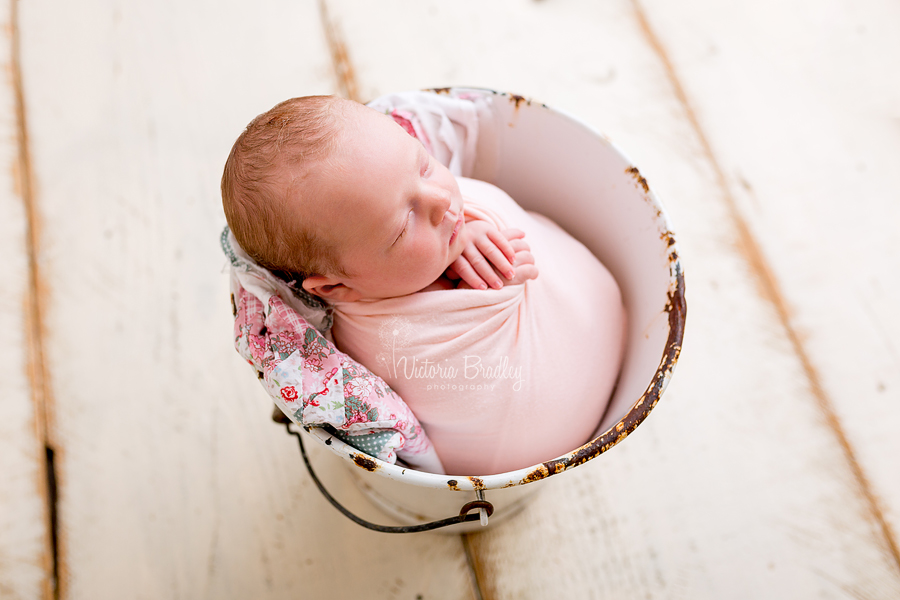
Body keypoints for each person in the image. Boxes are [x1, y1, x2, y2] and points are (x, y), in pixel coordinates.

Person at [222, 95, 626, 475]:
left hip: (580, 372)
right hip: (520, 451)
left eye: (424, 164)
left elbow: (490, 225)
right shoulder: (373, 344)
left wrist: (479, 226)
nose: (442, 201)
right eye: (403, 227)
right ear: (334, 289)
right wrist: (494, 269)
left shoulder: (422, 232)